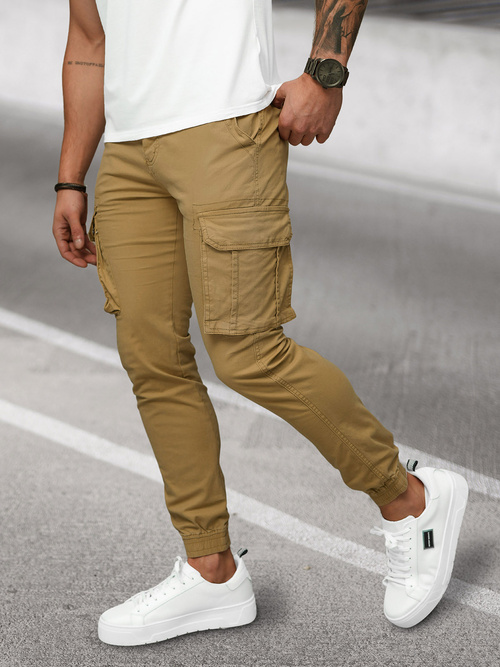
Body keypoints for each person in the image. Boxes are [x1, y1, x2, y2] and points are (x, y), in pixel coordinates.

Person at [52, 0, 469, 645]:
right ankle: (211, 570)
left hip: (227, 129)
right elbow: (88, 40)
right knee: (151, 358)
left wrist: (326, 71)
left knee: (248, 352)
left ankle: (410, 498)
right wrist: (70, 178)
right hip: (130, 153)